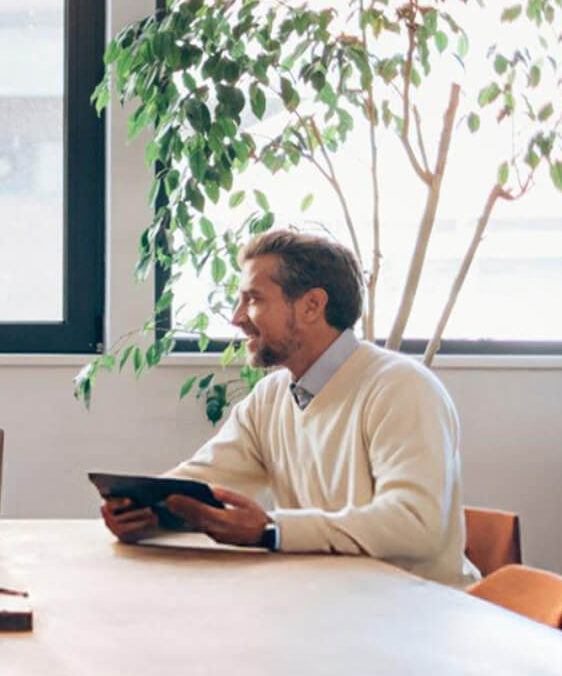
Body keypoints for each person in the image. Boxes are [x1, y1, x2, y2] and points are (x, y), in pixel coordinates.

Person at [101, 228, 476, 588]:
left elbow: (415, 526)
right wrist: (149, 511)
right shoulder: (271, 397)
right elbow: (200, 482)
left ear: (312, 305)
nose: (237, 317)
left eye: (254, 299)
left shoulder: (400, 387)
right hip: (328, 604)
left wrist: (273, 530)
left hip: (417, 614)